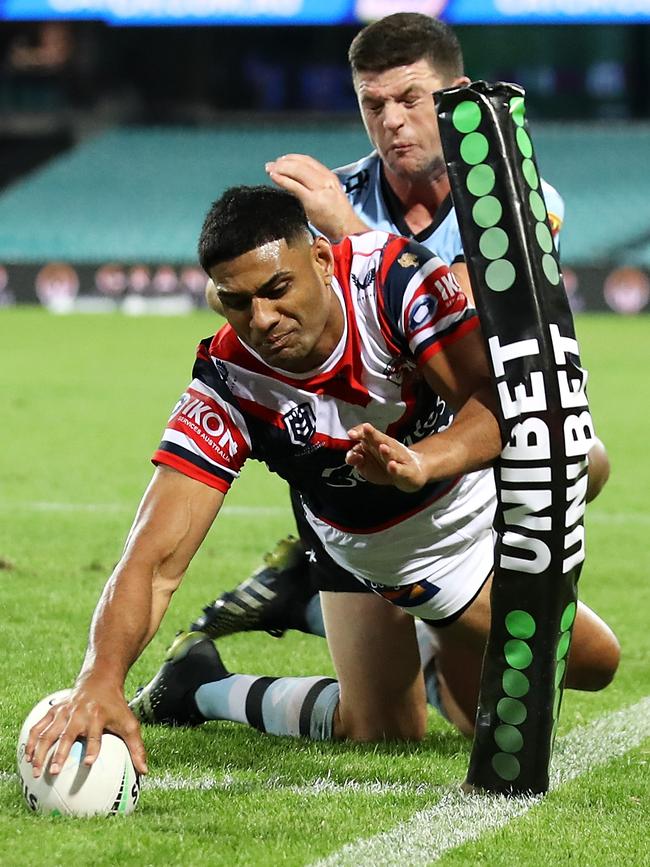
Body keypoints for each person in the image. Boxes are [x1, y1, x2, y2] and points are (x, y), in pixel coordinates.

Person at [26, 185, 619, 777]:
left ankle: (310, 602)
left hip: (464, 479)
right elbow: (153, 561)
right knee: (407, 725)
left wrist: (424, 462)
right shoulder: (230, 384)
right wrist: (98, 680)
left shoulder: (394, 279)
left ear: (320, 257)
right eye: (237, 302)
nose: (262, 319)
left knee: (585, 461)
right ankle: (200, 685)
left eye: (276, 290)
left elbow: (495, 401)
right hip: (396, 548)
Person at [176, 12, 612, 727]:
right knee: (383, 730)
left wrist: (348, 231)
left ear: (457, 98)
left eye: (412, 99)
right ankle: (200, 684)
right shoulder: (321, 206)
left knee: (581, 459)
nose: (393, 122)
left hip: (460, 458)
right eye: (373, 105)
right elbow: (233, 293)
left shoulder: (516, 202)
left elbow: (463, 314)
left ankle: (333, 606)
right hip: (357, 484)